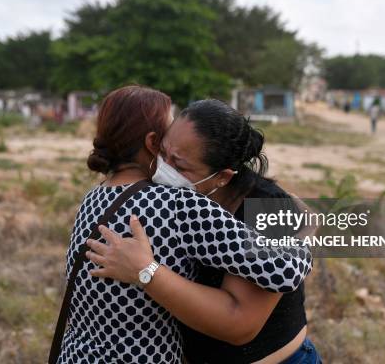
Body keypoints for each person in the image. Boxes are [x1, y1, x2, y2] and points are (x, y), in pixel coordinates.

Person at [58, 86, 312, 363]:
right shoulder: (167, 202)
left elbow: (241, 324)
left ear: (222, 177)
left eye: (178, 164)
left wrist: (304, 228)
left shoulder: (266, 203)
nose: (164, 167)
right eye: (162, 153)